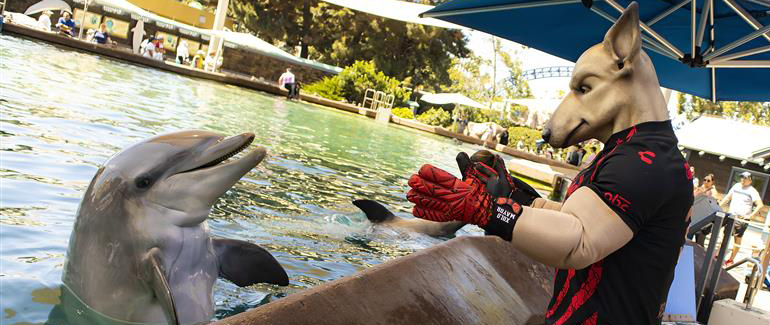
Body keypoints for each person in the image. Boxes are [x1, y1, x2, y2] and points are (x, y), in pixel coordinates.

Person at [720, 171, 764, 266]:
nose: (742, 179)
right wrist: (719, 206)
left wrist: (750, 216)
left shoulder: (752, 191)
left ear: (750, 180)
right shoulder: (736, 186)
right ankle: (720, 255)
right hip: (731, 215)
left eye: (745, 178)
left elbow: (760, 205)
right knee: (725, 236)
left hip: (741, 219)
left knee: (737, 239)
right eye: (742, 177)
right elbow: (728, 197)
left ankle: (731, 259)